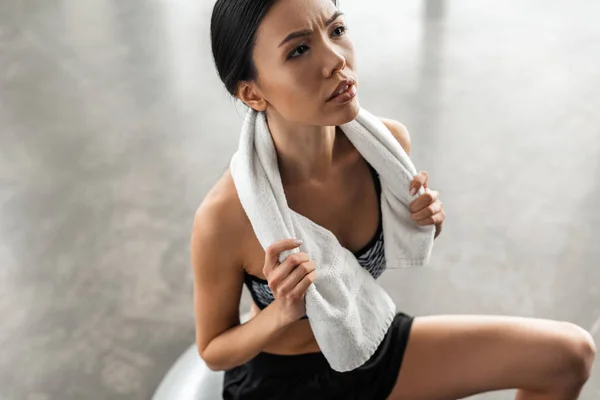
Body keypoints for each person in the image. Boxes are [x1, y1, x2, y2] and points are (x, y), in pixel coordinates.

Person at [191, 0, 596, 398]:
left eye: (337, 31)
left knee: (570, 354)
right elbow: (214, 351)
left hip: (371, 344)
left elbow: (389, 248)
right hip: (282, 382)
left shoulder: (384, 150)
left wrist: (424, 223)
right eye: (299, 50)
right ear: (252, 93)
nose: (336, 60)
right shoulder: (226, 216)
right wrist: (281, 314)